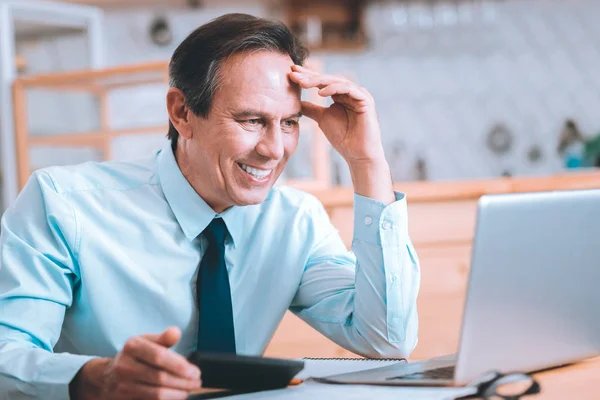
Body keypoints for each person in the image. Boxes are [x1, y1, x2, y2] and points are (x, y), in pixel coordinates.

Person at [0, 13, 420, 400]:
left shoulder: (295, 221)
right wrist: (98, 377)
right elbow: (6, 355)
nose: (274, 149)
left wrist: (367, 163)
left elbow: (386, 338)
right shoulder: (62, 204)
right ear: (182, 113)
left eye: (289, 122)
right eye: (251, 120)